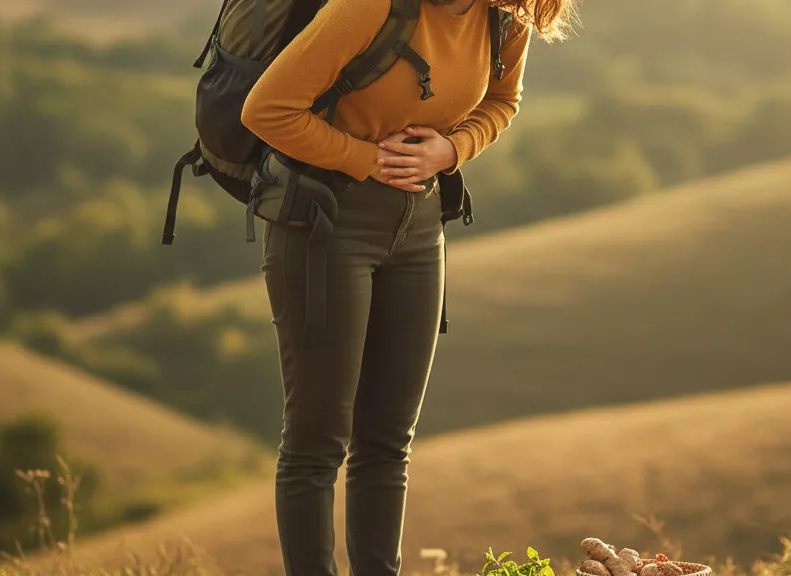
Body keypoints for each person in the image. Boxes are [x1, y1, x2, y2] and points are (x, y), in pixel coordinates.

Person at [240, 0, 575, 575]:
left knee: (387, 441)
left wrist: (452, 149)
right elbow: (266, 110)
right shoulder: (369, 6)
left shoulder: (505, 16)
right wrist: (366, 160)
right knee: (317, 440)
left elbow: (502, 100)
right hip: (325, 223)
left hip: (420, 228)